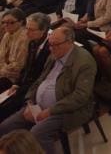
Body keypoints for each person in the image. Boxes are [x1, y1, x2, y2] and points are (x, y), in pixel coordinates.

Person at [0, 26, 96, 154]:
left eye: (55, 45)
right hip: (39, 106)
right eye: (50, 44)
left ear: (69, 42)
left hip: (66, 110)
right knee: (5, 127)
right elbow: (40, 80)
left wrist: (50, 111)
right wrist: (30, 102)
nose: (51, 48)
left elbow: (80, 96)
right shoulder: (54, 55)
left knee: (37, 134)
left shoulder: (84, 62)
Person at [0, 13, 50, 123]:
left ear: (43, 30)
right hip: (24, 83)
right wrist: (16, 84)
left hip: (34, 89)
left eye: (32, 30)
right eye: (27, 28)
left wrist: (20, 89)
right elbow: (25, 68)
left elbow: (41, 77)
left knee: (4, 108)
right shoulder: (32, 43)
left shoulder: (50, 49)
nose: (27, 32)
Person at [0, 9, 28, 91]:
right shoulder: (7, 35)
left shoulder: (24, 37)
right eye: (4, 22)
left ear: (21, 22)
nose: (6, 25)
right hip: (3, 72)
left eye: (11, 22)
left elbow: (19, 65)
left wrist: (1, 71)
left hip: (13, 78)